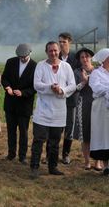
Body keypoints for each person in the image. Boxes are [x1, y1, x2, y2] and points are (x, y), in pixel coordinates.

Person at [30, 41, 76, 178]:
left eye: (56, 50)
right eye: (51, 51)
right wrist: (51, 87)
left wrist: (61, 90)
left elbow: (73, 85)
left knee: (55, 141)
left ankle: (52, 166)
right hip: (42, 111)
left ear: (59, 51)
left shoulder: (66, 67)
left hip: (59, 111)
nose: (53, 53)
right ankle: (34, 166)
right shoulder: (40, 66)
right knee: (38, 140)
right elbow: (36, 84)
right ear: (46, 52)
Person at [1, 43, 36, 164]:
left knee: (23, 132)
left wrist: (23, 93)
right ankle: (11, 154)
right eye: (20, 56)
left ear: (29, 53)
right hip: (10, 104)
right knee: (11, 131)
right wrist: (8, 87)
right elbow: (4, 78)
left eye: (24, 56)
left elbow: (34, 87)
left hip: (25, 105)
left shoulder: (35, 66)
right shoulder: (10, 62)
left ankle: (22, 156)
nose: (22, 58)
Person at [72, 47, 102, 171]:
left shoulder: (98, 71)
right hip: (83, 104)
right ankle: (87, 161)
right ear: (79, 59)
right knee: (85, 135)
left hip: (97, 105)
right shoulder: (76, 72)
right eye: (82, 57)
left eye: (87, 56)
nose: (85, 59)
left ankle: (98, 162)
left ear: (91, 58)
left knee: (98, 134)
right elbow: (74, 89)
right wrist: (84, 82)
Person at [58, 32, 80, 164]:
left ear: (69, 42)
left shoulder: (75, 58)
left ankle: (65, 154)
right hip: (57, 97)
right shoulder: (56, 56)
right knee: (55, 126)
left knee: (69, 127)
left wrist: (67, 88)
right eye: (60, 42)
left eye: (64, 42)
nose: (61, 44)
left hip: (71, 98)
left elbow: (77, 78)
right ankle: (51, 154)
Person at [89, 48, 109, 175]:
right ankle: (106, 165)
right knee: (104, 135)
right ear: (104, 59)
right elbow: (96, 88)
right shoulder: (96, 73)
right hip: (101, 108)